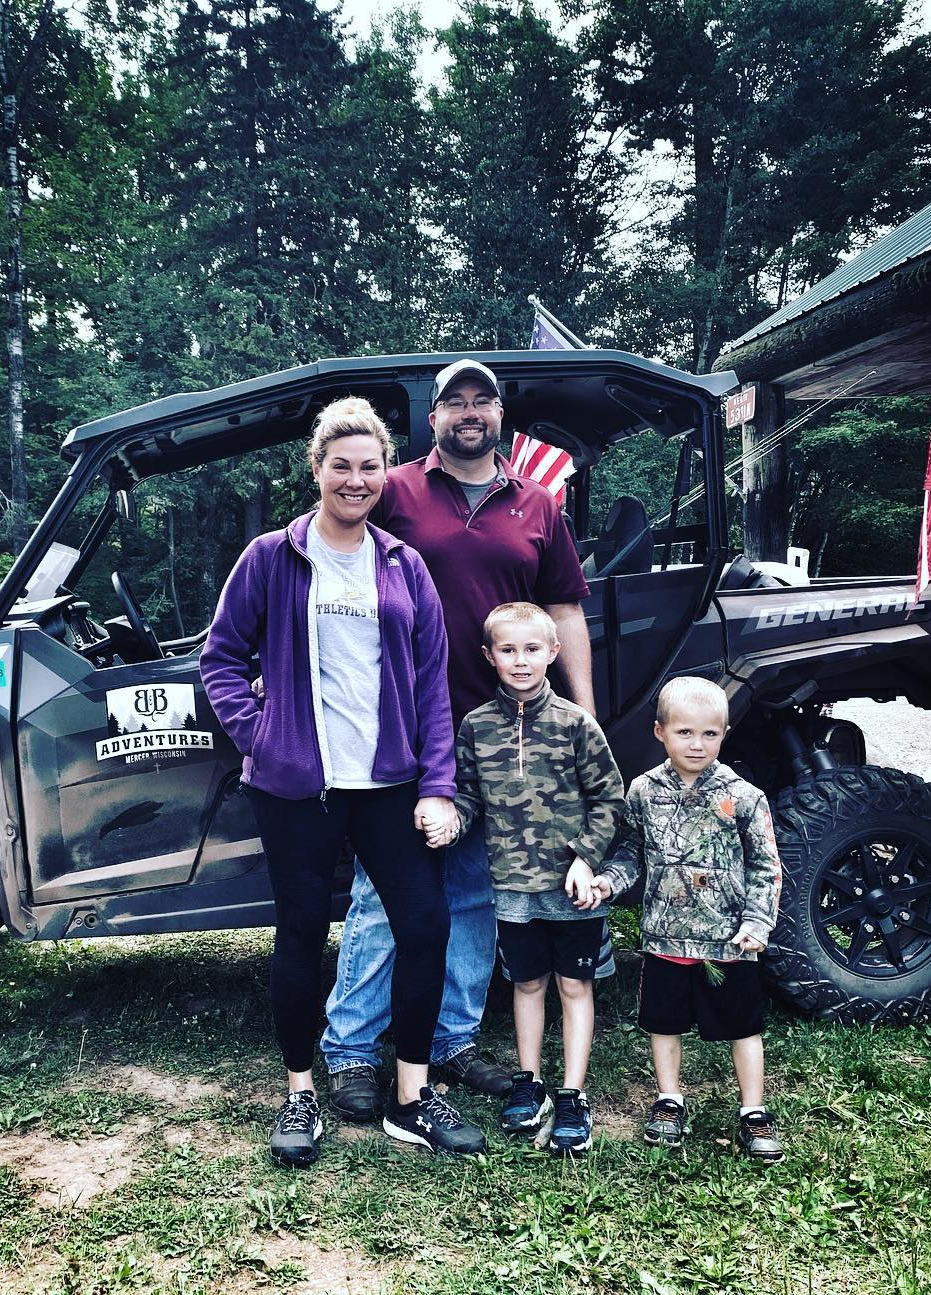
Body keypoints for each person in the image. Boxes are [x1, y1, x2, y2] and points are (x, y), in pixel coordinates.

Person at [201, 396, 486, 1167]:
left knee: (425, 924)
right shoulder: (270, 556)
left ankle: (412, 1095)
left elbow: (431, 685)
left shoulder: (403, 564)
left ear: (382, 475)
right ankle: (300, 1092)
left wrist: (436, 784)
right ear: (316, 469)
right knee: (299, 932)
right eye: (341, 466)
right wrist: (261, 735)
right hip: (297, 785)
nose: (355, 480)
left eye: (369, 467)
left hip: (389, 781)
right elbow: (221, 658)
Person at [320, 358, 594, 1122]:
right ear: (433, 415)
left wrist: (585, 710)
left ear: (500, 413)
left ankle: (452, 1038)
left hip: (500, 736)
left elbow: (564, 609)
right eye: (454, 401)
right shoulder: (396, 489)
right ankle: (349, 1048)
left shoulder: (537, 504)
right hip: (401, 729)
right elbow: (332, 560)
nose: (468, 412)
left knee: (476, 889)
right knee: (384, 892)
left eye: (482, 399)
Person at [429, 602, 624, 1154]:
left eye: (532, 649)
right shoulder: (475, 727)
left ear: (553, 653)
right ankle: (529, 1081)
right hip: (511, 889)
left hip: (573, 889)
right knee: (527, 984)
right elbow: (467, 794)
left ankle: (572, 1094)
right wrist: (451, 818)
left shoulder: (575, 725)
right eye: (508, 650)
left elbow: (609, 799)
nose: (521, 661)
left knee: (573, 986)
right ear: (489, 656)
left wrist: (587, 857)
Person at [591, 676, 786, 1163]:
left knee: (744, 1027)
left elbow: (766, 865)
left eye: (709, 734)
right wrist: (608, 882)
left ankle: (753, 1112)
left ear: (724, 733)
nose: (696, 744)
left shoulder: (744, 796)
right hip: (665, 940)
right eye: (684, 733)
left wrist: (757, 924)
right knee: (665, 1023)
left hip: (729, 943)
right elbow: (631, 851)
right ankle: (669, 1100)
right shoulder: (642, 791)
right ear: (661, 732)